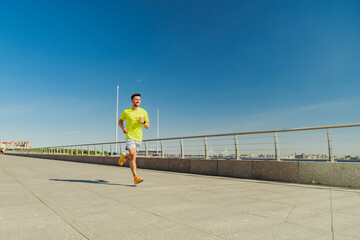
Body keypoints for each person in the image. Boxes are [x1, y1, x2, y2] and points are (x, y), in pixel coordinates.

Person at [118, 93, 149, 184]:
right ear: (131, 101)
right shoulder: (126, 111)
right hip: (129, 136)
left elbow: (147, 126)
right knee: (133, 154)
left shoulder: (144, 112)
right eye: (136, 99)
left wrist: (143, 122)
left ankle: (124, 157)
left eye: (139, 99)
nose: (138, 101)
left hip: (139, 138)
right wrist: (123, 128)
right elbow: (120, 121)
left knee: (132, 156)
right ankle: (136, 177)